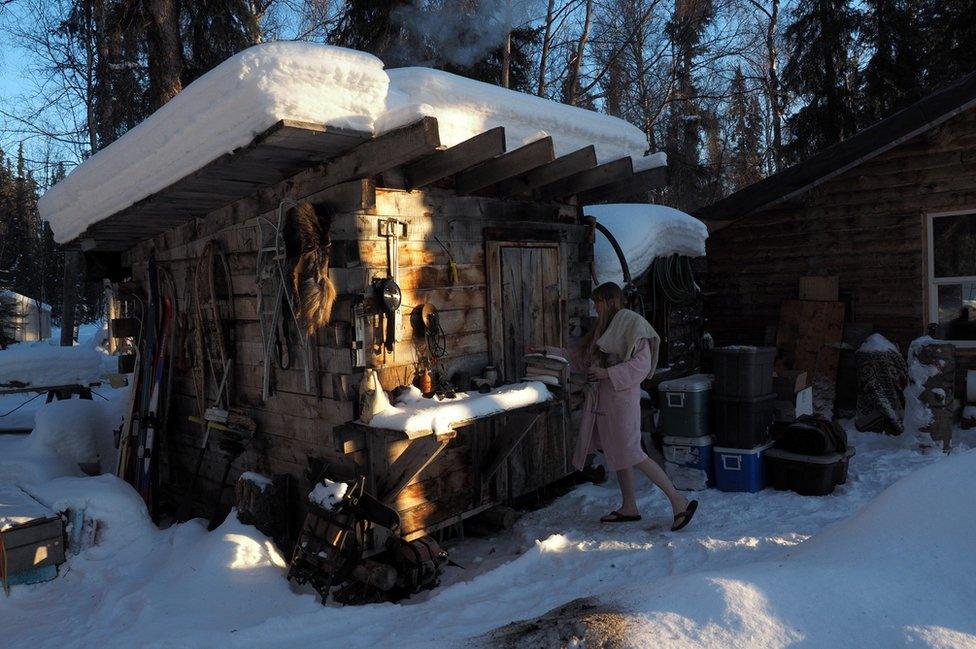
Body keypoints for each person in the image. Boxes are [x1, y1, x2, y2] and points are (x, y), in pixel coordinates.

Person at [534, 282, 698, 530]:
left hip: (621, 398)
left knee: (632, 452)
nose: (595, 306)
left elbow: (641, 366)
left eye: (598, 301)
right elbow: (580, 359)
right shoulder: (602, 328)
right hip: (604, 399)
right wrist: (548, 351)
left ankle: (679, 501)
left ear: (610, 301)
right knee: (618, 452)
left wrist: (606, 373)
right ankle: (629, 506)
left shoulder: (631, 323)